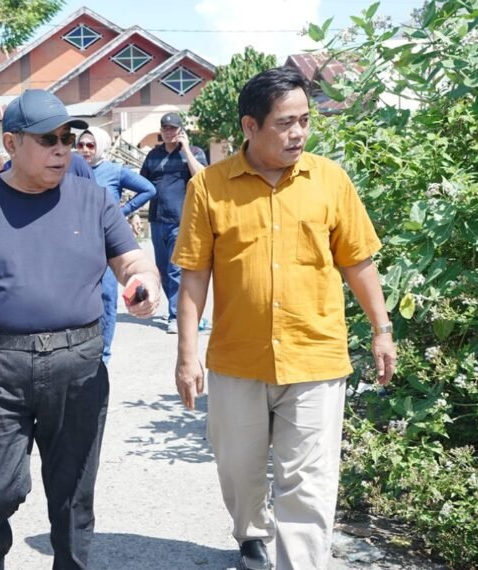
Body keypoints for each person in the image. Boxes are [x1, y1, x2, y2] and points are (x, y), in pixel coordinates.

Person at [0, 89, 161, 570]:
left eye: (67, 139)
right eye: (47, 139)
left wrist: (145, 284)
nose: (61, 149)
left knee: (73, 495)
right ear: (11, 143)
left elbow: (133, 262)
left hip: (79, 367)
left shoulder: (93, 199)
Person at [172, 68, 397, 570]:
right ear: (250, 126)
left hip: (316, 354)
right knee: (239, 467)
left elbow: (358, 262)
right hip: (238, 358)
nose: (298, 133)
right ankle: (252, 533)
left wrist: (382, 330)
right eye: (285, 123)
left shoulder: (330, 180)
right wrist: (187, 356)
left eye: (304, 120)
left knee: (308, 481)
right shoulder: (209, 187)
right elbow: (194, 277)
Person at [77, 127, 157, 363]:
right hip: (78, 243)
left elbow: (149, 189)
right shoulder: (70, 171)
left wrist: (123, 212)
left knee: (107, 298)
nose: (84, 150)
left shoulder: (113, 171)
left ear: (101, 147)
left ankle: (104, 354)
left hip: (107, 243)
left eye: (90, 145)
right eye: (80, 145)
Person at [141, 111, 208, 334]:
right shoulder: (153, 156)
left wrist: (186, 149)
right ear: (161, 131)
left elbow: (202, 178)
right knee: (163, 269)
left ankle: (176, 316)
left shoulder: (194, 152)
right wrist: (134, 214)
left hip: (181, 220)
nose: (169, 132)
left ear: (181, 130)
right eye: (166, 128)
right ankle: (182, 310)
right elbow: (141, 184)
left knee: (175, 269)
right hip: (156, 219)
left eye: (173, 129)